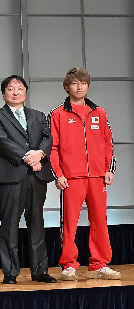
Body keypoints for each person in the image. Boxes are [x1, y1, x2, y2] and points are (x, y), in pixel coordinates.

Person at [49, 67, 119, 280]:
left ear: (88, 86)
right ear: (67, 87)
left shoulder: (99, 112)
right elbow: (53, 147)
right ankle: (69, 265)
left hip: (97, 177)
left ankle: (99, 264)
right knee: (69, 224)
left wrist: (109, 169)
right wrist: (58, 174)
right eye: (75, 83)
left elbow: (108, 142)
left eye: (83, 83)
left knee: (100, 221)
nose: (79, 87)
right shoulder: (58, 114)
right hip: (71, 178)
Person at [0, 75, 57, 284]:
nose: (15, 92)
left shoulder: (38, 115)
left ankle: (40, 270)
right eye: (11, 89)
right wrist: (29, 157)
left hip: (37, 175)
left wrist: (40, 154)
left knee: (37, 222)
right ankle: (10, 272)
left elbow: (47, 138)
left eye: (19, 88)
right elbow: (2, 142)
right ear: (4, 94)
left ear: (25, 92)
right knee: (9, 224)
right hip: (11, 175)